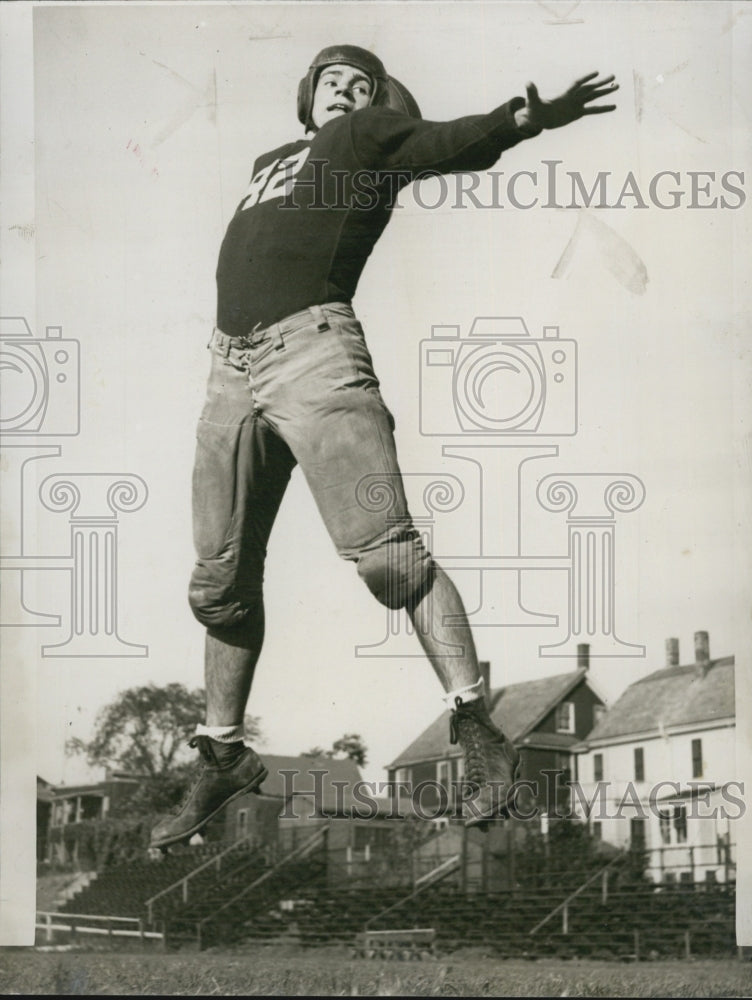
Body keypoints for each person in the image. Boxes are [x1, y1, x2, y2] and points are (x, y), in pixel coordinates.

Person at [150, 44, 618, 849]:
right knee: (217, 582)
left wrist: (519, 119)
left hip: (314, 350)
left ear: (378, 105)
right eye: (331, 80)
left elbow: (440, 144)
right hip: (229, 366)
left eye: (361, 85)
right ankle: (223, 752)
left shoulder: (364, 140)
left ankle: (476, 726)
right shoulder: (272, 161)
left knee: (386, 559)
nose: (344, 89)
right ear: (306, 97)